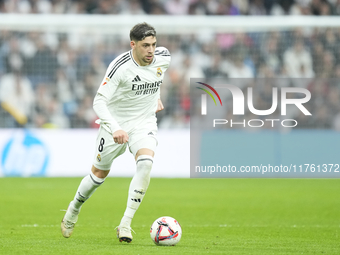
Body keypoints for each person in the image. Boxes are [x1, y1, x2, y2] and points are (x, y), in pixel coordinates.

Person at [61, 22, 171, 243]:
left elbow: (155, 77)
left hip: (144, 123)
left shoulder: (164, 58)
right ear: (133, 45)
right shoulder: (119, 66)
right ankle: (73, 208)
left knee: (146, 163)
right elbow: (99, 101)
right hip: (115, 124)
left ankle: (125, 224)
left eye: (153, 44)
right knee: (97, 176)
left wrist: (156, 96)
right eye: (145, 45)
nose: (151, 50)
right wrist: (115, 127)